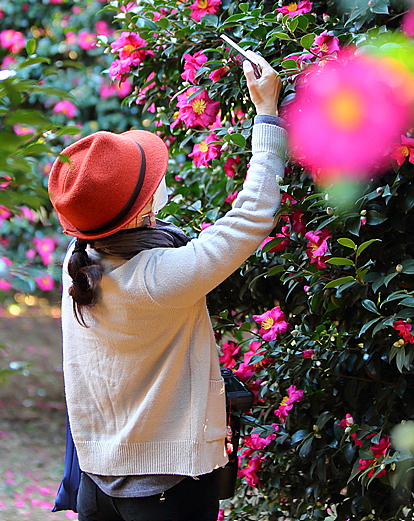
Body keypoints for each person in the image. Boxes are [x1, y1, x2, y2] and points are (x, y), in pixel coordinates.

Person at [46, 51, 286, 521]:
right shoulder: (159, 278)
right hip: (166, 493)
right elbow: (251, 217)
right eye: (152, 181)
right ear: (139, 214)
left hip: (98, 484)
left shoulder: (78, 263)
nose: (161, 181)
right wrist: (266, 114)